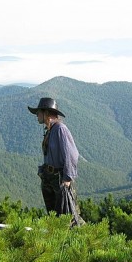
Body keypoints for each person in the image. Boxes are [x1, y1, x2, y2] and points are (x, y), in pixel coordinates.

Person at [28, 97, 84, 226]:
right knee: (55, 215)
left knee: (69, 215)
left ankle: (84, 238)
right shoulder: (50, 130)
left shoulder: (60, 129)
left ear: (46, 113)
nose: (36, 115)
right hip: (50, 177)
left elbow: (72, 154)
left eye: (38, 112)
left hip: (59, 179)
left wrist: (67, 178)